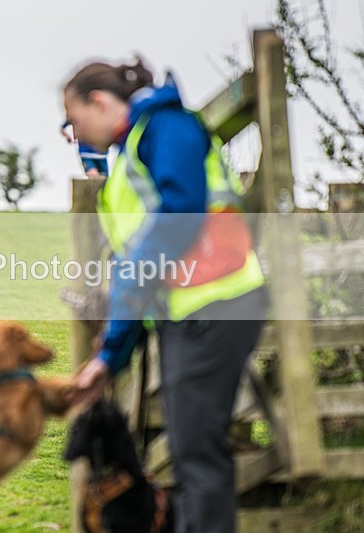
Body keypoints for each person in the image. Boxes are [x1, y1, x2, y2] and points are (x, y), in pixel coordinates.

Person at [64, 59, 268, 533]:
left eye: (73, 120)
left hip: (219, 307)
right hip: (186, 315)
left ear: (99, 102)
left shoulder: (168, 127)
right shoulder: (132, 152)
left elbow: (173, 220)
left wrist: (118, 324)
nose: (74, 132)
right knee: (189, 451)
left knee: (197, 455)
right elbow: (139, 267)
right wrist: (110, 356)